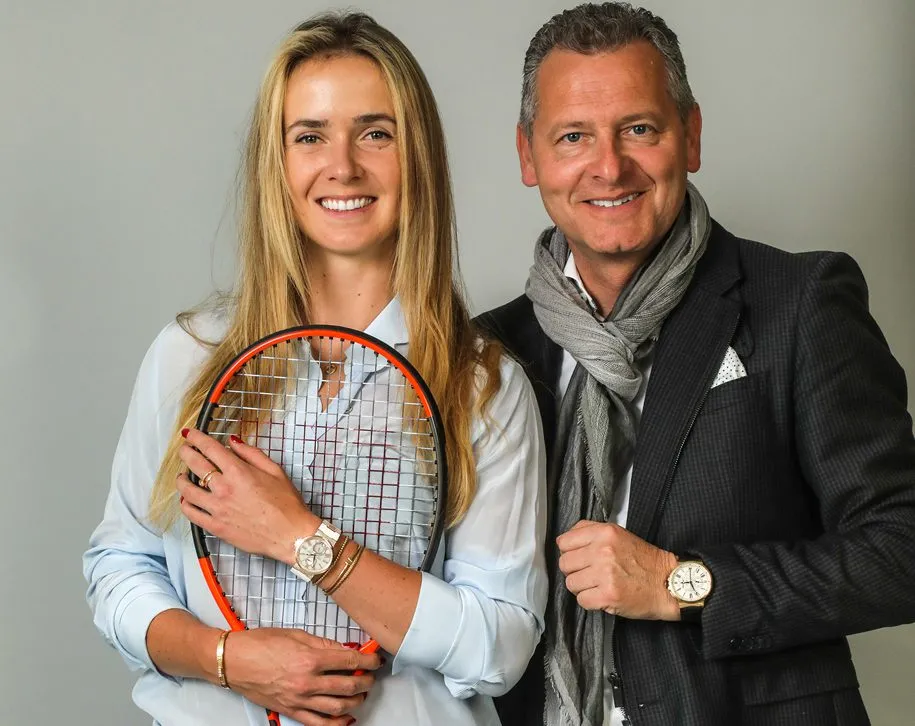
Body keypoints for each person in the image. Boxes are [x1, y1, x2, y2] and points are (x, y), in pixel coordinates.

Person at [84, 11, 547, 726]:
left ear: (418, 156)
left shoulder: (483, 386)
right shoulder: (188, 357)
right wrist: (226, 657)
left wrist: (301, 540)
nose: (343, 165)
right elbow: (120, 568)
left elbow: (500, 645)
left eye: (376, 133)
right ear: (276, 164)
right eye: (310, 136)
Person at [479, 3, 915, 725]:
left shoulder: (799, 302)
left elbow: (901, 548)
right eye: (573, 136)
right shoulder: (489, 352)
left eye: (639, 129)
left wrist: (682, 584)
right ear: (529, 156)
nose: (608, 166)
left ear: (691, 135)